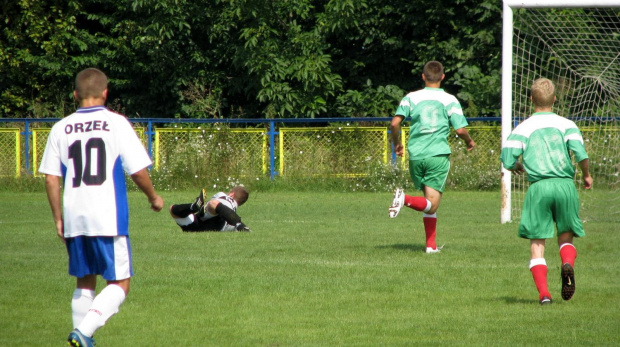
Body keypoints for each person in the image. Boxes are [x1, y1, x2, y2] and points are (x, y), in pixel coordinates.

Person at [39, 68, 164, 347]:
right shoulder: (115, 123)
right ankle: (83, 333)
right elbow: (138, 170)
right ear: (106, 93)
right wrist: (153, 197)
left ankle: (81, 338)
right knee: (120, 283)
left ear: (75, 94)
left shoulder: (61, 127)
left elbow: (50, 177)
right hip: (108, 216)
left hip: (74, 216)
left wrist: (58, 218)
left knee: (84, 282)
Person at [500, 78, 592, 305]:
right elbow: (580, 154)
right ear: (554, 100)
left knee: (537, 244)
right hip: (564, 185)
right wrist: (587, 175)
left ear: (531, 100)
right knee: (566, 235)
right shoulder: (567, 124)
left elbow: (507, 158)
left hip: (539, 188)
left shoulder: (524, 127)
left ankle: (544, 295)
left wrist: (517, 166)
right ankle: (567, 263)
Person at [388, 61, 476, 253]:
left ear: (423, 77)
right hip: (437, 154)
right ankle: (404, 199)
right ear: (443, 77)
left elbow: (394, 124)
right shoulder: (450, 99)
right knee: (432, 203)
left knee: (429, 203)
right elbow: (460, 129)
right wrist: (469, 141)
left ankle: (431, 246)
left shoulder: (411, 97)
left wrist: (397, 144)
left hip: (416, 155)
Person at [170, 185, 251, 232]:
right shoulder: (233, 210)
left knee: (213, 204)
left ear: (232, 194)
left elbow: (212, 203)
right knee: (172, 209)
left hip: (217, 220)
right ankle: (193, 207)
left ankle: (193, 207)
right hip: (203, 226)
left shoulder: (223, 195)